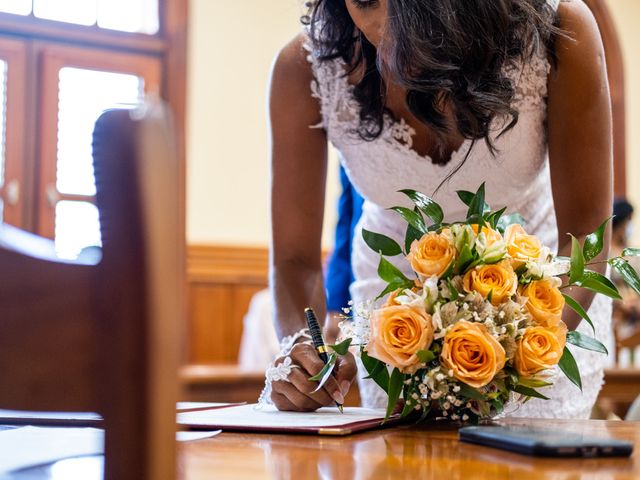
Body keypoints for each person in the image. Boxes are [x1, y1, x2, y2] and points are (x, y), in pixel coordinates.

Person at [267, 0, 613, 418]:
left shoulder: (560, 32)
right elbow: (293, 259)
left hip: (543, 302)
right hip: (394, 315)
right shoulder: (304, 68)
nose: (386, 31)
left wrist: (519, 342)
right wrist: (302, 348)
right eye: (364, 3)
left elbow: (587, 241)